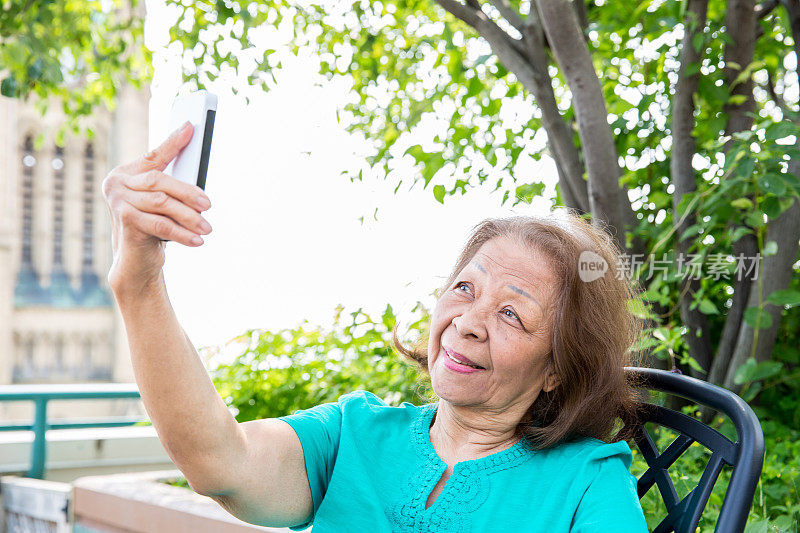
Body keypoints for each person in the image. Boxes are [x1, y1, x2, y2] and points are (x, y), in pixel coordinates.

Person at [102, 123, 649, 532]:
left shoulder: (588, 482)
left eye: (512, 313)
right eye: (465, 288)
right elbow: (220, 463)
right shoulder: (354, 434)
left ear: (555, 368)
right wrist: (139, 280)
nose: (469, 323)